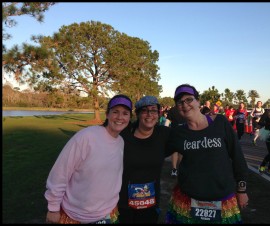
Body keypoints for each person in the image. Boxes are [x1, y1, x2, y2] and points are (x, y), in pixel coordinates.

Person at [165, 84, 249, 224]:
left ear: (198, 101)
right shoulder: (178, 133)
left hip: (222, 197)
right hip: (188, 198)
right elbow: (155, 152)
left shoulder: (220, 123)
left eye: (189, 100)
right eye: (180, 102)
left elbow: (237, 156)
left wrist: (242, 190)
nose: (185, 105)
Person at [44, 94, 133, 224]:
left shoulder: (120, 142)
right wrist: (53, 208)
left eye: (125, 113)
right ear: (107, 114)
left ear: (130, 117)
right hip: (75, 215)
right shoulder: (87, 136)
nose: (120, 117)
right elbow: (60, 173)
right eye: (115, 112)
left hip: (108, 213)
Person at [118, 96, 171, 224]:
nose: (149, 115)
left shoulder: (165, 134)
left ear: (158, 114)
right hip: (124, 203)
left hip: (150, 204)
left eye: (153, 110)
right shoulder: (123, 135)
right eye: (144, 111)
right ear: (137, 114)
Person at [166, 105, 186, 177]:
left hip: (179, 132)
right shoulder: (184, 108)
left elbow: (167, 122)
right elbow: (167, 121)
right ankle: (176, 169)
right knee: (178, 151)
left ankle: (176, 169)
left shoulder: (173, 109)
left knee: (177, 151)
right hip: (180, 132)